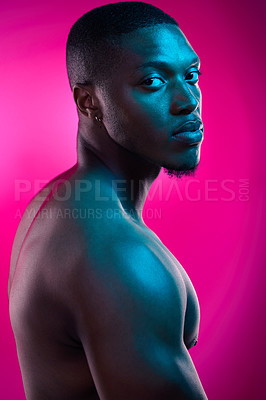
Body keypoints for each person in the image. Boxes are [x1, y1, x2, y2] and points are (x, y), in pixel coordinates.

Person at [8, 2, 207, 399]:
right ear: (88, 103)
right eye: (152, 82)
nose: (187, 100)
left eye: (191, 75)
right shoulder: (116, 256)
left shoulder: (64, 200)